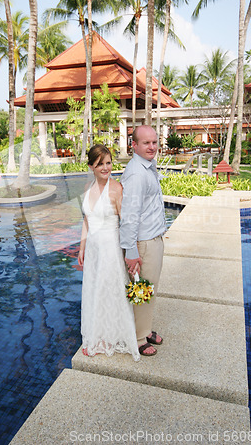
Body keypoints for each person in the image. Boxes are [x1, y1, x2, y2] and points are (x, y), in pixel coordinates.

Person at [78, 144, 140, 362]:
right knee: (95, 290)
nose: (105, 168)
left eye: (108, 162)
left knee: (108, 289)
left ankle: (110, 336)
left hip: (111, 248)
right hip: (93, 250)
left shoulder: (116, 189)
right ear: (91, 166)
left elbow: (127, 222)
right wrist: (82, 246)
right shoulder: (88, 187)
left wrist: (132, 252)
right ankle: (97, 333)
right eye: (100, 164)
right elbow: (87, 219)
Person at [120, 125, 167, 356]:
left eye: (154, 142)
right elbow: (129, 215)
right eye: (146, 143)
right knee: (141, 290)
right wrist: (131, 251)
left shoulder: (147, 167)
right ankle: (138, 338)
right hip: (143, 243)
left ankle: (145, 329)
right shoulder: (137, 173)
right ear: (134, 145)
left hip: (154, 239)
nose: (152, 147)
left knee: (150, 289)